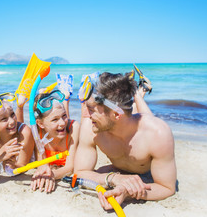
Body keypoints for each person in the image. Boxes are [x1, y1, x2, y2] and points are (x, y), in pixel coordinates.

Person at [74, 71, 177, 210]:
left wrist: (128, 192)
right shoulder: (91, 128)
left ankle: (138, 92)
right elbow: (79, 173)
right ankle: (136, 91)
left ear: (116, 114)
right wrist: (114, 178)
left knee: (145, 115)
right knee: (133, 114)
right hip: (124, 120)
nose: (86, 115)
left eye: (92, 109)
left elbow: (167, 187)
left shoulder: (157, 133)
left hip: (137, 125)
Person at [30, 90, 80, 193]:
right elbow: (42, 164)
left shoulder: (73, 128)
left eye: (64, 116)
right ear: (40, 124)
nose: (62, 123)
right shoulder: (37, 134)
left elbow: (70, 167)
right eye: (55, 120)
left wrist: (52, 175)